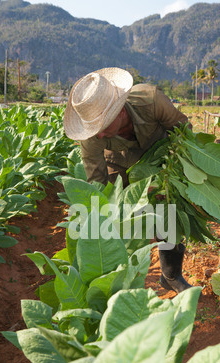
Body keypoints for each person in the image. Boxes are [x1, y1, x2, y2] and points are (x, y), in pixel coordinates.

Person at [63, 67, 193, 294]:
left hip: (162, 160)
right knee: (124, 221)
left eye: (102, 126)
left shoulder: (151, 100)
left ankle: (171, 275)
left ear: (119, 111)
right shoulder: (93, 138)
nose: (99, 135)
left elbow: (184, 131)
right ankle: (121, 280)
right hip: (120, 167)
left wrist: (174, 171)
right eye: (94, 129)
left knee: (169, 215)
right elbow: (97, 185)